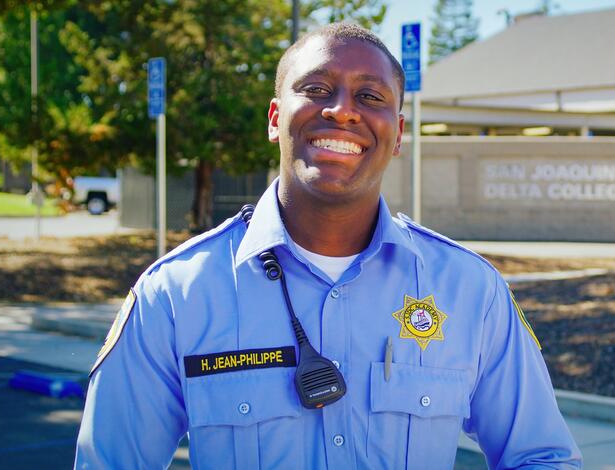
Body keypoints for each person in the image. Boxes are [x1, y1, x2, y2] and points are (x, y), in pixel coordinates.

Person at [75, 23, 582, 469]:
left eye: (370, 97)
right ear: (275, 118)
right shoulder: (176, 293)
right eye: (316, 89)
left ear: (398, 131)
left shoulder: (471, 290)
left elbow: (542, 457)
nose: (342, 112)